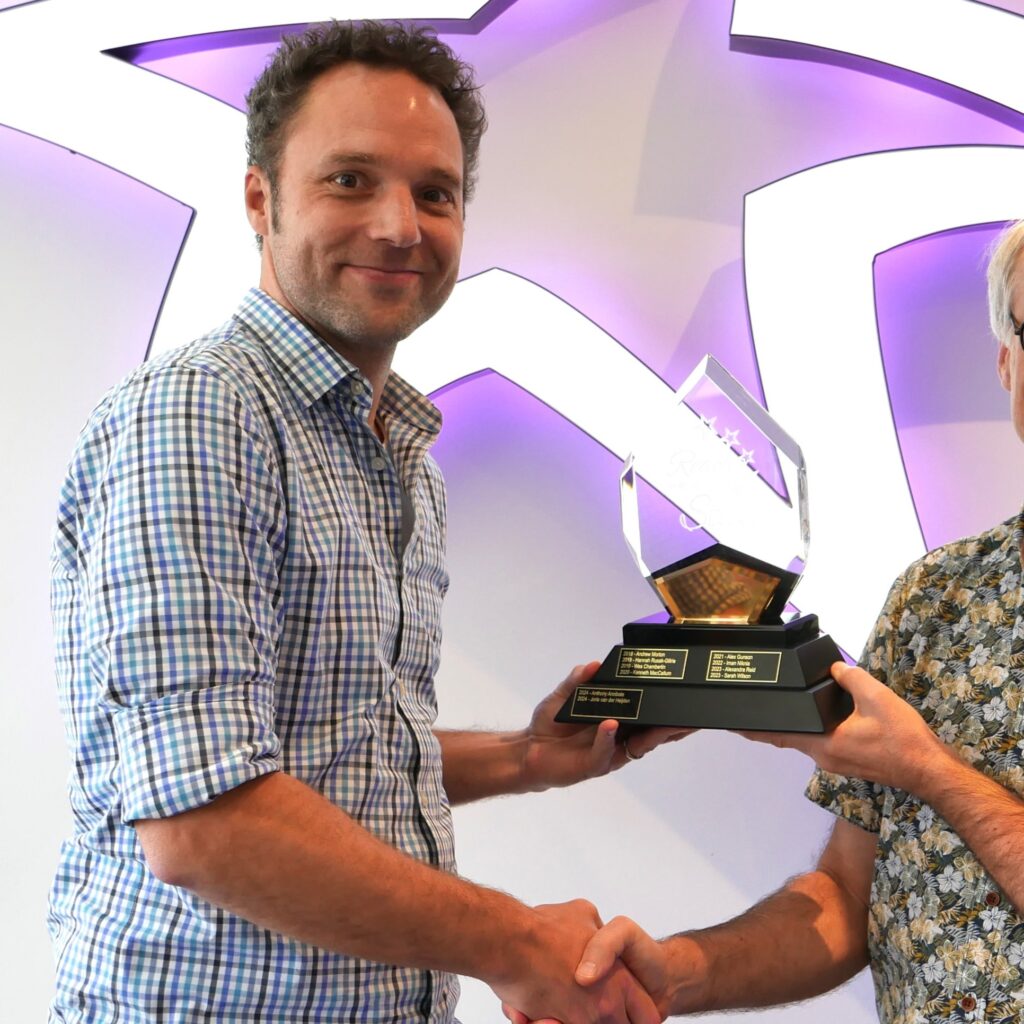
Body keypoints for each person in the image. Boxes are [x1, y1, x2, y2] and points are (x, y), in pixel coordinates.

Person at [47, 21, 684, 1024]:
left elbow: (337, 746)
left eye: (436, 192)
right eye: (349, 180)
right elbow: (204, 819)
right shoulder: (202, 415)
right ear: (259, 198)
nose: (399, 224)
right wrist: (519, 944)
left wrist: (526, 756)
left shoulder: (398, 457)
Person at [510, 219, 1024, 1023]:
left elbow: (928, 780)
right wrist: (670, 974)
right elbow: (849, 896)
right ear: (1006, 359)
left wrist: (929, 770)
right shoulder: (936, 597)